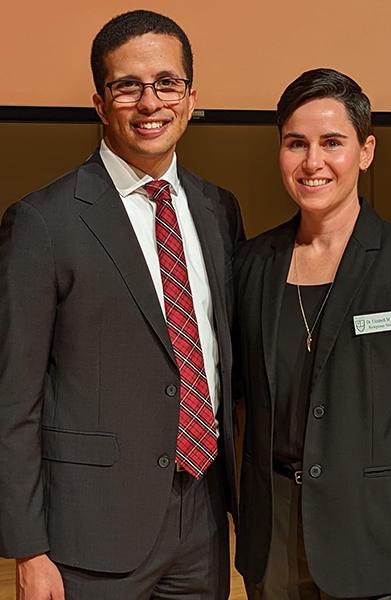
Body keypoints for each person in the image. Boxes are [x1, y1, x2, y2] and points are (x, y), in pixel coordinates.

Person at [0, 9, 243, 600]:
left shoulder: (219, 209)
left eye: (167, 83)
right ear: (100, 101)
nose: (150, 101)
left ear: (190, 96)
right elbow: (13, 399)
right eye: (127, 85)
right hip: (89, 536)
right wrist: (28, 551)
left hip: (203, 522)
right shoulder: (43, 222)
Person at [234, 68, 391, 599]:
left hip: (376, 537)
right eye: (296, 143)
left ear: (366, 149)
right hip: (273, 534)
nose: (313, 162)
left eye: (333, 142)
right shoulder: (251, 264)